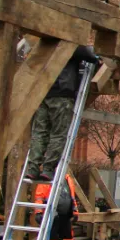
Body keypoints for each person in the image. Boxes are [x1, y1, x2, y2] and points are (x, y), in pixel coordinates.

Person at [26, 46, 99, 181]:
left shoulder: (46, 43)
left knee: (39, 133)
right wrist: (96, 56)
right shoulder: (70, 43)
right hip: (62, 94)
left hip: (43, 94)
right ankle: (48, 169)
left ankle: (33, 168)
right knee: (58, 134)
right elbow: (89, 56)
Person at [34, 174, 79, 240]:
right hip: (52, 215)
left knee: (69, 239)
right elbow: (39, 197)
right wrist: (38, 212)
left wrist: (75, 211)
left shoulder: (68, 179)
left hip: (66, 215)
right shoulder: (47, 179)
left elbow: (72, 196)